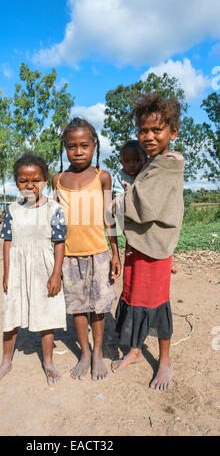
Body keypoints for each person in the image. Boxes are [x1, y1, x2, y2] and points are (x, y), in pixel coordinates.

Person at [112, 93, 185, 390]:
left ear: (173, 132)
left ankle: (164, 360)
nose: (149, 136)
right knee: (134, 298)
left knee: (157, 302)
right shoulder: (151, 163)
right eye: (143, 130)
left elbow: (144, 205)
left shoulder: (168, 164)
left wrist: (113, 202)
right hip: (140, 245)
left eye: (157, 130)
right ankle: (135, 350)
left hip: (155, 250)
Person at [52, 117, 121, 381]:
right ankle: (85, 352)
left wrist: (115, 253)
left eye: (84, 145)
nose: (78, 151)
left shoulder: (102, 177)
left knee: (99, 307)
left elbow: (109, 217)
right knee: (78, 307)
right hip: (69, 255)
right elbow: (56, 223)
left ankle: (98, 351)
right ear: (65, 148)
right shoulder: (58, 180)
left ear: (94, 146)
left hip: (99, 253)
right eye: (72, 146)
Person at [0, 153, 67, 386]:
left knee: (46, 312)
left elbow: (60, 243)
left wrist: (56, 273)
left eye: (36, 179)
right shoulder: (12, 209)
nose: (30, 185)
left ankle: (49, 362)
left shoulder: (54, 209)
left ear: (45, 180)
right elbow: (7, 242)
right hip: (17, 267)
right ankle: (6, 361)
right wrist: (6, 272)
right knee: (11, 312)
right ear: (16, 183)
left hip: (44, 267)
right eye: (24, 180)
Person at [112, 140, 147, 231]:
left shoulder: (146, 174)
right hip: (127, 214)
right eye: (127, 161)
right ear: (121, 162)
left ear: (145, 160)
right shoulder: (120, 176)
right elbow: (117, 198)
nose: (132, 164)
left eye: (137, 160)